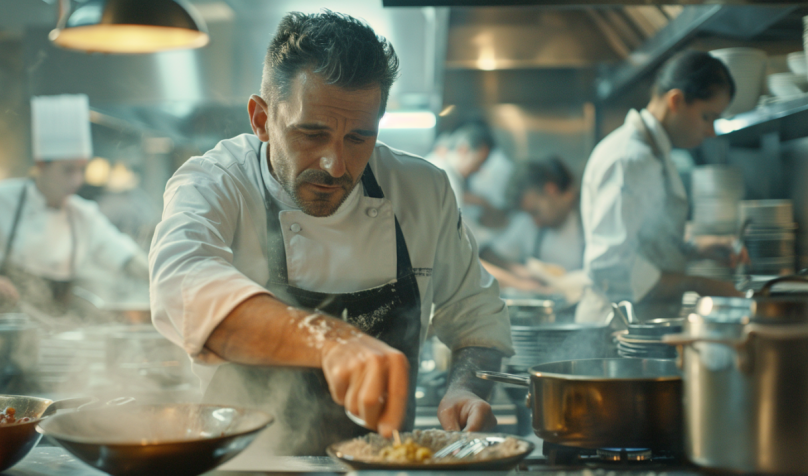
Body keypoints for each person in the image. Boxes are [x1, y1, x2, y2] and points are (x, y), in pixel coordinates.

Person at [149, 11, 513, 456]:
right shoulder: (215, 182)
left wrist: (466, 388)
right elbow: (181, 284)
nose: (335, 165)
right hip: (246, 464)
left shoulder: (422, 190)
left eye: (359, 138)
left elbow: (476, 318)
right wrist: (331, 340)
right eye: (312, 133)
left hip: (386, 463)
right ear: (261, 119)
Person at [576, 50, 745, 323]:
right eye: (707, 117)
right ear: (676, 101)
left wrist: (695, 247)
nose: (711, 132)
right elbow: (611, 265)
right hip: (616, 329)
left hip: (641, 323)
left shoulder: (656, 155)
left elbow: (645, 239)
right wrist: (699, 284)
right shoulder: (629, 159)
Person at [0, 94, 148, 317]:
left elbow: (126, 257)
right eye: (68, 170)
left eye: (81, 169)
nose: (77, 180)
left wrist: (169, 277)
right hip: (1, 330)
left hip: (56, 332)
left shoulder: (82, 213)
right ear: (41, 165)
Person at [481, 156, 584, 293]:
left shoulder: (589, 218)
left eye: (536, 212)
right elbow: (488, 255)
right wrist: (517, 270)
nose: (536, 222)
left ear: (551, 190)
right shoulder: (526, 224)